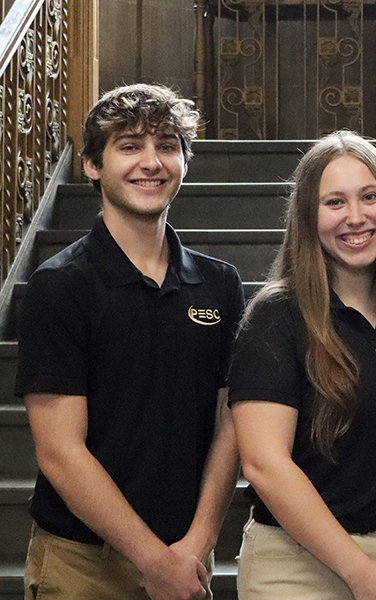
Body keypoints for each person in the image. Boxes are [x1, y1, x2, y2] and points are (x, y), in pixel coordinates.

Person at [15, 84, 244, 600]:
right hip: (82, 563)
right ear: (93, 165)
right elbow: (60, 452)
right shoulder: (60, 285)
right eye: (129, 145)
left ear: (185, 162)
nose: (152, 162)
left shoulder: (220, 284)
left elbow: (231, 423)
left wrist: (197, 543)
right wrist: (151, 559)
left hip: (187, 557)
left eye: (167, 145)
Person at [227, 130, 376, 600]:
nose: (356, 217)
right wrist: (359, 572)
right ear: (308, 218)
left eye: (369, 197)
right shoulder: (276, 316)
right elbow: (264, 464)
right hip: (297, 568)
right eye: (334, 202)